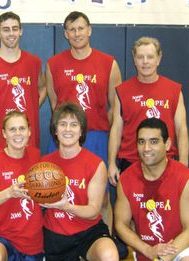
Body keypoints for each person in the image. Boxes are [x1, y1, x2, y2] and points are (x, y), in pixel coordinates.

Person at [45, 11, 122, 236]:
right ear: (66, 34)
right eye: (72, 29)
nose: (77, 33)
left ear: (89, 30)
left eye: (81, 28)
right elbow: (53, 103)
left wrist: (91, 127)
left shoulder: (109, 63)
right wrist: (68, 131)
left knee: (103, 197)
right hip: (64, 137)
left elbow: (114, 108)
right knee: (55, 192)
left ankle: (103, 240)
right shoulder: (54, 64)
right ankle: (62, 243)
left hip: (96, 136)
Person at [115, 118, 189, 261]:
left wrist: (164, 257)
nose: (146, 148)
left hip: (182, 246)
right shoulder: (126, 179)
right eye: (141, 142)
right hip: (147, 247)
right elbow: (120, 224)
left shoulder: (186, 179)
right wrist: (147, 250)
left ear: (167, 144)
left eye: (154, 142)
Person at [41, 102, 118, 261]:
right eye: (63, 124)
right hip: (56, 236)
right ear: (55, 130)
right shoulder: (44, 165)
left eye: (74, 124)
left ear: (81, 130)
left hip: (88, 232)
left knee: (109, 254)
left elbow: (93, 212)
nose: (68, 129)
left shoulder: (96, 164)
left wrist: (66, 206)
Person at [108, 36, 189, 186]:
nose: (145, 62)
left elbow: (181, 129)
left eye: (150, 57)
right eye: (140, 57)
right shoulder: (122, 91)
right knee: (129, 209)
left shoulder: (174, 90)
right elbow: (116, 129)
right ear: (134, 59)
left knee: (166, 208)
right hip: (131, 161)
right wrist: (111, 163)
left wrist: (183, 163)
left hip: (165, 162)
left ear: (158, 59)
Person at [0, 11, 46, 158]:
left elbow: (42, 88)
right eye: (6, 29)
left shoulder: (34, 63)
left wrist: (32, 108)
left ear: (21, 31)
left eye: (15, 28)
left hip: (27, 140)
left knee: (29, 180)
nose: (11, 33)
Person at [0, 111, 44, 260]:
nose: (18, 133)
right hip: (1, 236)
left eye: (22, 128)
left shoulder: (37, 157)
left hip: (32, 241)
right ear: (4, 133)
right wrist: (9, 193)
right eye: (12, 129)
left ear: (29, 131)